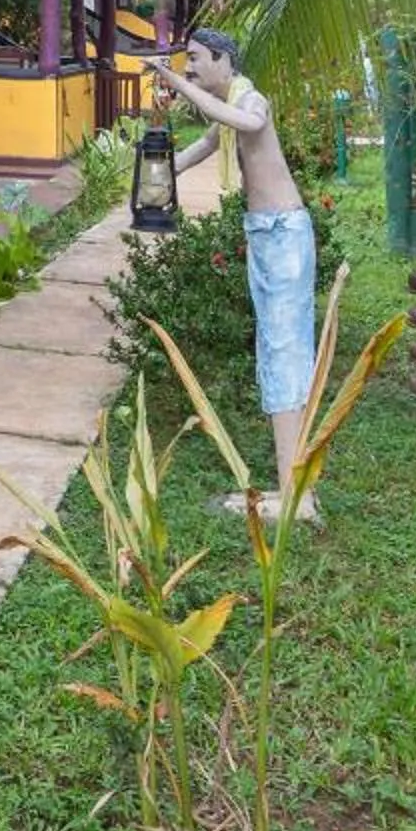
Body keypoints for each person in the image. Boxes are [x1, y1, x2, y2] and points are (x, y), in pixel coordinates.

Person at [142, 26, 322, 523]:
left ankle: (298, 501)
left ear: (223, 60)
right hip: (268, 235)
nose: (190, 67)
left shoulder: (250, 100)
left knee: (284, 360)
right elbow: (201, 146)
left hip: (283, 237)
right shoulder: (228, 109)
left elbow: (247, 120)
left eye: (196, 58)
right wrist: (152, 173)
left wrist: (176, 84)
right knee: (276, 357)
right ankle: (293, 489)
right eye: (186, 62)